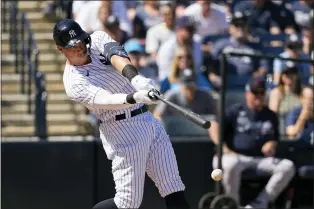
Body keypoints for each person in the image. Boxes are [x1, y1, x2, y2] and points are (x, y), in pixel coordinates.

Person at [53, 19, 190, 209]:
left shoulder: (97, 38)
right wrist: (135, 96)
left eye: (80, 41)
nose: (79, 47)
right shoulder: (73, 82)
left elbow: (116, 56)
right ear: (61, 49)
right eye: (72, 46)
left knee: (173, 186)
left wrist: (137, 79)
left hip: (147, 120)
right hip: (121, 129)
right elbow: (106, 101)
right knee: (128, 202)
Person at [209, 77, 295, 208]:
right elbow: (214, 124)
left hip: (260, 159)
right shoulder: (235, 111)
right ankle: (234, 204)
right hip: (236, 156)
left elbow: (275, 138)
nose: (259, 96)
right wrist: (221, 146)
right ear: (247, 93)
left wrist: (272, 143)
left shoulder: (270, 115)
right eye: (255, 92)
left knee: (287, 166)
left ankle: (260, 204)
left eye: (262, 93)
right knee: (231, 164)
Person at [209, 12, 268, 89]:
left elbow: (264, 67)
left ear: (247, 27)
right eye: (237, 25)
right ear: (230, 28)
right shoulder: (221, 44)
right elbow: (210, 64)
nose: (240, 28)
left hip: (249, 85)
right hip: (225, 85)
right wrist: (213, 76)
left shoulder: (256, 46)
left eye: (243, 25)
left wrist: (256, 77)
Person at [156, 16, 203, 82]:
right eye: (187, 30)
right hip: (170, 83)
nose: (189, 33)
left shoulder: (196, 43)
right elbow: (165, 75)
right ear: (178, 30)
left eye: (192, 30)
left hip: (193, 80)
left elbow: (197, 69)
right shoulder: (167, 48)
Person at [233, 0, 299, 36]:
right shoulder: (241, 6)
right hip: (247, 42)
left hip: (266, 43)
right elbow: (236, 28)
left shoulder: (274, 8)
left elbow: (275, 30)